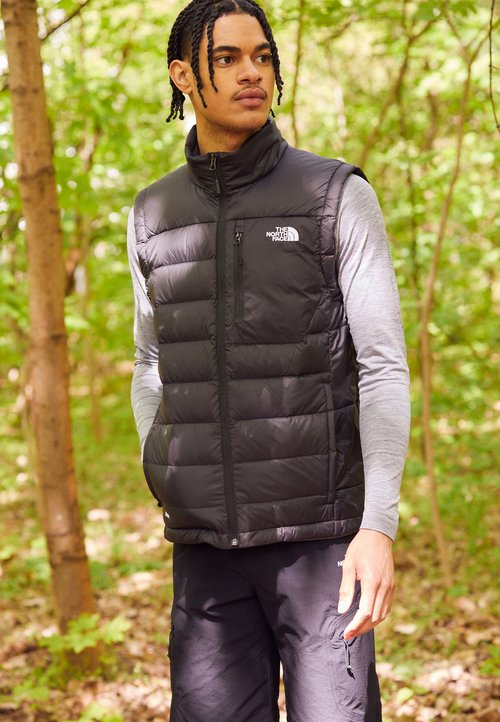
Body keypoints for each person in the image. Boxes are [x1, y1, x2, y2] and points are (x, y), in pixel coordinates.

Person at [128, 1, 410, 720]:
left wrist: (377, 527)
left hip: (321, 547)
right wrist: (167, 474)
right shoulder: (153, 214)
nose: (252, 72)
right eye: (226, 58)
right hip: (205, 555)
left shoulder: (333, 194)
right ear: (183, 75)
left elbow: (382, 365)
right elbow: (150, 361)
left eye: (262, 56)